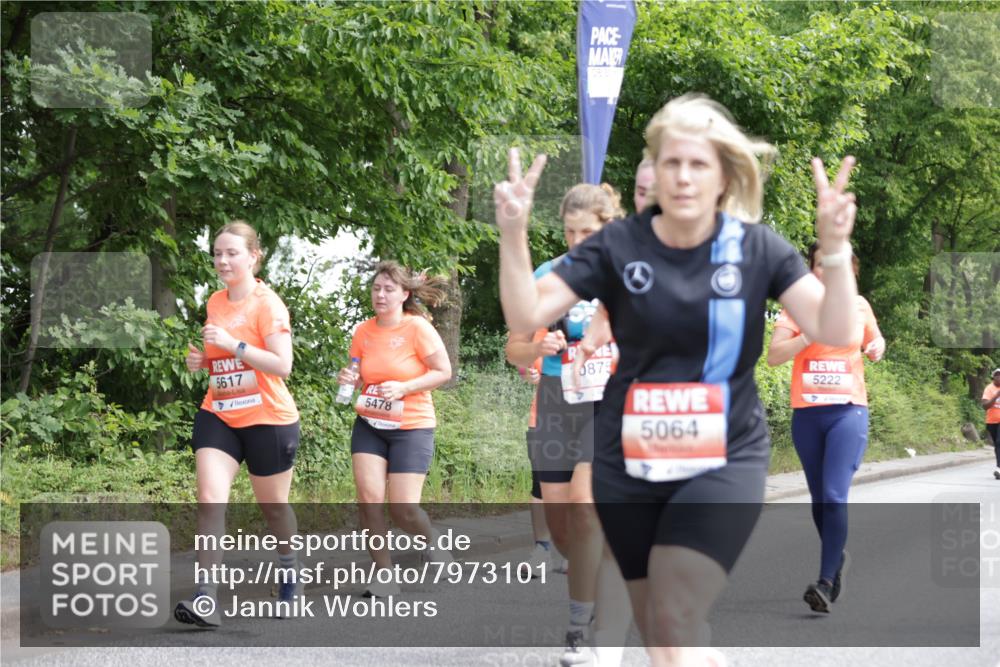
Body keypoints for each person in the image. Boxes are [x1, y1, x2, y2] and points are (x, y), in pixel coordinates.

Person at [495, 93, 860, 667]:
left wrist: (834, 252)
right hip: (632, 456)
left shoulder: (758, 249)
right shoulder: (618, 246)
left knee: (671, 612)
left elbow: (835, 326)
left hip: (724, 454)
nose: (684, 177)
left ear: (723, 177)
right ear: (653, 173)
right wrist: (512, 233)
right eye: (671, 163)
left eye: (698, 164)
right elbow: (525, 316)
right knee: (668, 631)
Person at [504, 182, 624, 666]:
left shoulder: (627, 273)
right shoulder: (549, 275)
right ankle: (591, 583)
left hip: (608, 399)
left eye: (587, 232)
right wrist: (537, 349)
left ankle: (584, 625)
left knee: (584, 505)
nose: (577, 241)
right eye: (570, 231)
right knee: (560, 523)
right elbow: (514, 346)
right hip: (556, 398)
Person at [175, 221, 301, 628]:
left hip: (268, 418)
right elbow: (221, 358)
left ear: (253, 256)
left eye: (231, 253)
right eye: (217, 253)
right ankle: (206, 597)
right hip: (221, 414)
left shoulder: (268, 305)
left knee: (274, 509)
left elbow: (283, 365)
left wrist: (234, 345)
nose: (222, 260)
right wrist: (205, 360)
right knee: (210, 500)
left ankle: (290, 577)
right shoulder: (215, 301)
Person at [766, 244, 885, 613]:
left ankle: (825, 582)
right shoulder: (796, 306)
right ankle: (836, 559)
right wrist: (808, 335)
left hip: (848, 413)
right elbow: (773, 356)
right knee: (819, 499)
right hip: (808, 415)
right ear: (811, 269)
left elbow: (874, 339)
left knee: (834, 496)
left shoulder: (859, 305)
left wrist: (877, 346)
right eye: (820, 265)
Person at [337, 261, 453, 597]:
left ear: (404, 294)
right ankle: (385, 574)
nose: (381, 295)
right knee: (369, 500)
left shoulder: (417, 328)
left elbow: (442, 371)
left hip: (412, 425)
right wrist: (349, 378)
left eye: (389, 289)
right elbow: (358, 372)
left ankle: (432, 543)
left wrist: (403, 388)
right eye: (376, 289)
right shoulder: (363, 331)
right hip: (371, 423)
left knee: (403, 509)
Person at [983, 367, 1000, 480]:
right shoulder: (989, 388)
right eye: (997, 375)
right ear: (993, 376)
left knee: (999, 442)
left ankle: (999, 468)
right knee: (997, 444)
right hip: (991, 421)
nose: (999, 377)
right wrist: (996, 396)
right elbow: (985, 406)